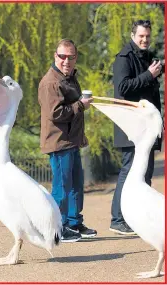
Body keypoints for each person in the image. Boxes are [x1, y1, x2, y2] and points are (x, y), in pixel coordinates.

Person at [38, 39, 97, 242]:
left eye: (70, 57)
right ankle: (57, 228)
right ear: (55, 56)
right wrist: (80, 105)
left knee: (76, 185)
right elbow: (55, 114)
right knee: (61, 188)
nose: (66, 61)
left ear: (75, 58)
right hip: (59, 142)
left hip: (71, 141)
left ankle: (73, 222)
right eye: (62, 56)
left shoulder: (69, 76)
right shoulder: (50, 82)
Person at [109, 20, 162, 235]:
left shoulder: (146, 57)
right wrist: (149, 75)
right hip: (131, 128)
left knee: (145, 173)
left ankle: (138, 218)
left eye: (148, 36)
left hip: (145, 127)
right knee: (130, 171)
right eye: (141, 36)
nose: (145, 40)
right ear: (133, 36)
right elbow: (123, 89)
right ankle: (118, 218)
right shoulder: (124, 58)